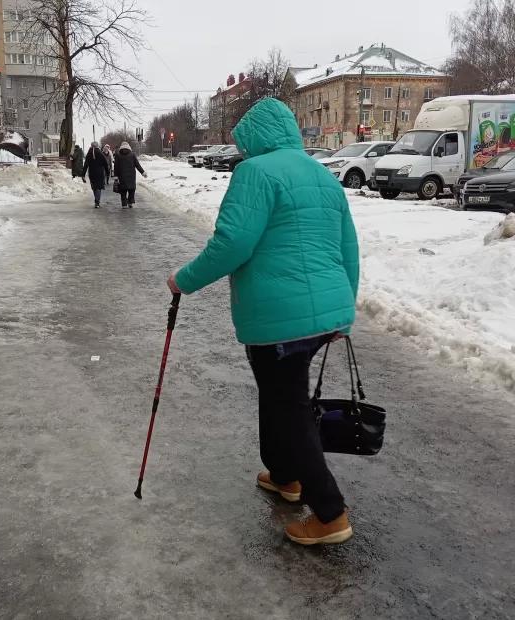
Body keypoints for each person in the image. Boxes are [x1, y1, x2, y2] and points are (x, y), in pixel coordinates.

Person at [166, 98, 359, 546]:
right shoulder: (321, 175)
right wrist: (345, 307)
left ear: (253, 138)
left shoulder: (254, 173)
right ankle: (285, 476)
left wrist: (184, 281)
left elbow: (232, 244)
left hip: (278, 317)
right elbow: (348, 246)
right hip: (323, 313)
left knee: (288, 408)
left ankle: (329, 512)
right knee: (281, 398)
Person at [113, 142, 146, 208]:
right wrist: (143, 172)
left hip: (122, 176)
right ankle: (130, 202)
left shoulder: (118, 155)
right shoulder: (132, 154)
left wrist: (116, 176)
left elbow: (116, 167)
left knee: (123, 190)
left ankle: (124, 204)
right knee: (131, 189)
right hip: (131, 176)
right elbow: (137, 165)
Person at [82, 141, 109, 208]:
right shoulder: (100, 153)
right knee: (98, 187)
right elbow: (105, 164)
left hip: (92, 173)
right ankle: (97, 202)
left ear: (91, 146)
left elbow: (85, 165)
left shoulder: (89, 154)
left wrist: (83, 174)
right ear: (97, 146)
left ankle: (96, 201)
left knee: (94, 187)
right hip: (100, 173)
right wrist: (107, 172)